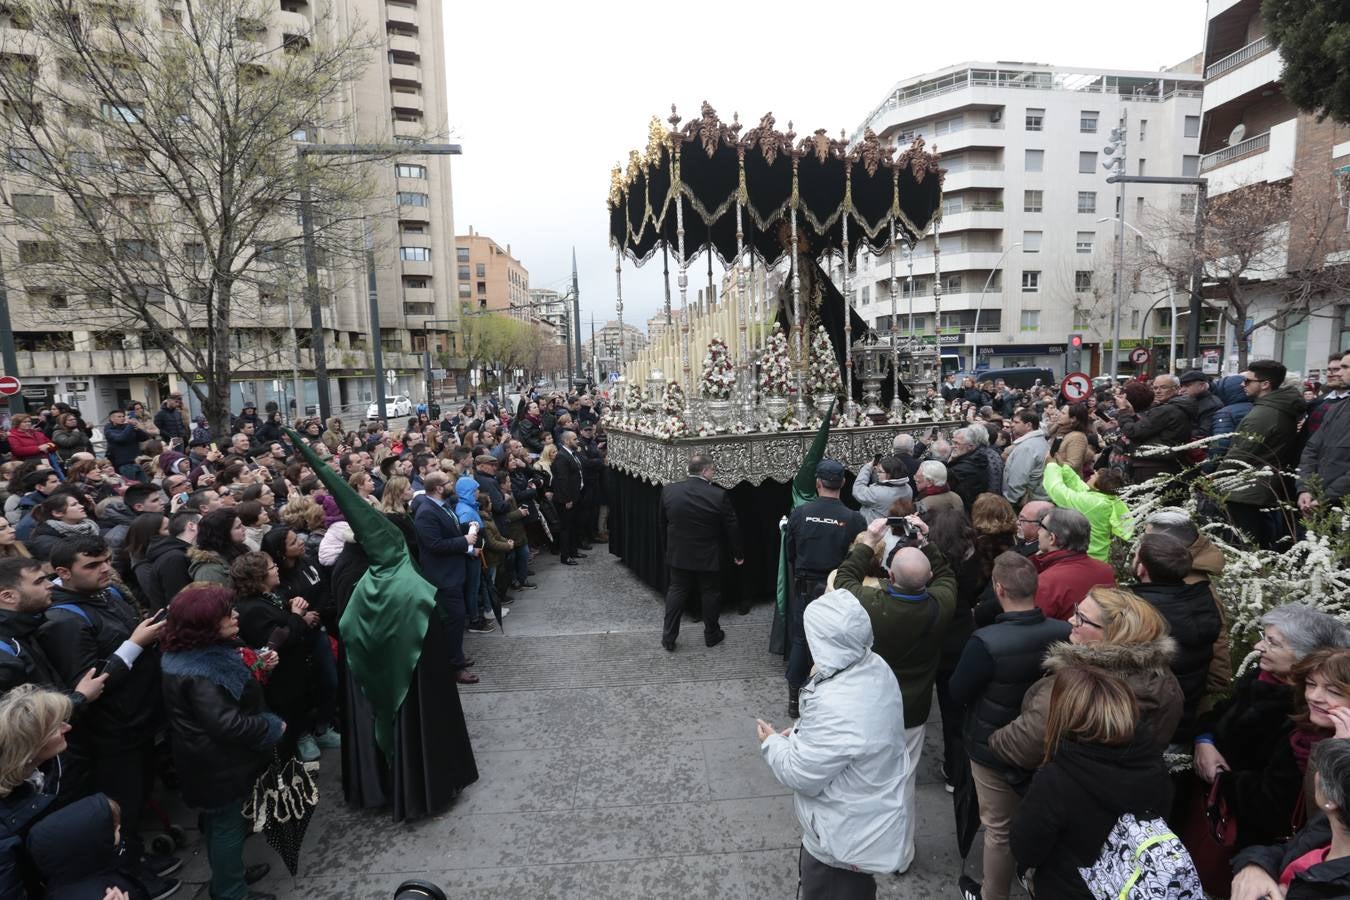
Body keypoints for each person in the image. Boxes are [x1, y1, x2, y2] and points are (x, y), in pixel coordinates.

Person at [36, 537, 177, 894]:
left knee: (140, 797)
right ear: (63, 573)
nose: (105, 570)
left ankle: (139, 860)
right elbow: (88, 685)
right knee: (121, 810)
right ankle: (131, 876)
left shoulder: (108, 592)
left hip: (141, 718)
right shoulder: (63, 619)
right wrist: (135, 643)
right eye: (92, 565)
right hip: (113, 733)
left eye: (106, 561)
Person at [757, 588, 909, 898]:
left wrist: (772, 743)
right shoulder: (874, 665)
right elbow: (845, 741)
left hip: (840, 839)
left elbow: (800, 774)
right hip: (866, 817)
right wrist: (802, 735)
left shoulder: (835, 706)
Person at [832, 516, 956, 875]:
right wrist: (927, 540)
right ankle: (899, 854)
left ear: (890, 577)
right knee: (903, 783)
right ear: (928, 580)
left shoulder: (870, 604)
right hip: (911, 711)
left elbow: (844, 579)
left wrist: (869, 539)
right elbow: (947, 575)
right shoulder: (940, 604)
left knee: (861, 779)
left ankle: (857, 846)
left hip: (869, 709)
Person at [951, 551, 1070, 900]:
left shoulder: (985, 642)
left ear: (999, 589)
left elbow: (959, 691)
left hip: (992, 748)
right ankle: (1028, 872)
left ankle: (992, 894)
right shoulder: (1063, 632)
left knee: (998, 829)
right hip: (1045, 744)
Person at [1009, 665, 1180, 899]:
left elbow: (1026, 850)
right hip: (1128, 888)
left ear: (1066, 715)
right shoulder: (1153, 765)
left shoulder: (1057, 780)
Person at [160, 584, 281, 900]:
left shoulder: (196, 654)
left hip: (210, 760)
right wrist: (270, 726)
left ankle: (231, 877)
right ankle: (231, 891)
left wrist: (256, 664)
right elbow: (227, 723)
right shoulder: (200, 670)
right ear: (204, 624)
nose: (236, 615)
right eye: (227, 613)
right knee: (226, 826)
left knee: (221, 824)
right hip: (217, 765)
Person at [1193, 609, 1350, 850]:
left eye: (1272, 642)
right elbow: (1217, 715)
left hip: (1261, 843)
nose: (1258, 646)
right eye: (1311, 685)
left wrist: (1221, 779)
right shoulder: (1262, 679)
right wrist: (1204, 740)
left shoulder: (1302, 718)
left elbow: (1274, 805)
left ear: (1304, 656)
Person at [989, 586, 1184, 772]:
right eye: (1076, 611)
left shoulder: (1078, 684)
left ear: (1112, 634)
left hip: (1064, 791)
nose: (1070, 620)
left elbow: (1023, 747)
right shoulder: (1167, 683)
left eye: (1081, 618)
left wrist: (992, 741)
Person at [1229, 738, 1350, 900]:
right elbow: (1282, 851)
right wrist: (1255, 867)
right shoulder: (1326, 828)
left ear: (1330, 801)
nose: (1317, 774)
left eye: (1323, 771)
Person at [1129, 532, 1221, 744]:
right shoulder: (1201, 599)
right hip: (1187, 714)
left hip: (1148, 722)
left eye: (1136, 556)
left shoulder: (1140, 612)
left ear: (1142, 568)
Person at [229, 551, 321, 762]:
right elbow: (281, 639)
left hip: (292, 674)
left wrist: (290, 608)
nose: (277, 568)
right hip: (282, 679)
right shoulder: (252, 608)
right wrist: (297, 616)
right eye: (271, 567)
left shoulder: (268, 597)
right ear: (258, 576)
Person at [658, 453, 745, 653]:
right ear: (705, 471)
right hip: (708, 555)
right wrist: (738, 553)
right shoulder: (718, 495)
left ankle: (668, 636)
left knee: (676, 591)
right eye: (713, 470)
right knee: (710, 592)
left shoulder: (669, 491)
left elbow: (662, 524)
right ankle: (711, 634)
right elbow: (732, 528)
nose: (713, 474)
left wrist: (667, 550)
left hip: (678, 554)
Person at [1218, 359, 1305, 549]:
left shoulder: (1264, 414)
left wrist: (1216, 479)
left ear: (1265, 384)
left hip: (1247, 489)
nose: (1243, 385)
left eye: (1248, 381)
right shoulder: (1273, 408)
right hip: (1258, 486)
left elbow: (1240, 454)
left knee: (1245, 545)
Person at [412, 471, 479, 685]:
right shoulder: (426, 512)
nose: (452, 485)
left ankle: (457, 656)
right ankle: (455, 667)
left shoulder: (444, 506)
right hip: (443, 576)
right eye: (448, 482)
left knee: (457, 619)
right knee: (454, 619)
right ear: (439, 488)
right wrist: (464, 540)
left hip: (454, 571)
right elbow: (435, 545)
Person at [1030, 508, 1116, 621]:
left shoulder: (1045, 581)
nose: (1038, 531)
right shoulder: (1106, 570)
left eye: (1041, 526)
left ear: (1052, 538)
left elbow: (1037, 626)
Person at [1040, 460, 1129, 563]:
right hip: (1099, 556)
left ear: (1097, 485)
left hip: (1090, 557)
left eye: (1094, 476)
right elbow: (1080, 487)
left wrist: (1052, 465)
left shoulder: (1095, 503)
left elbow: (1058, 492)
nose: (1091, 476)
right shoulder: (1105, 499)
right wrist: (1063, 467)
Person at [1114, 374, 1198, 482]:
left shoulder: (1168, 410)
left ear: (1177, 388)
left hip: (1153, 467)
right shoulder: (1177, 406)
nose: (1158, 391)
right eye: (1155, 388)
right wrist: (1132, 414)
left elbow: (1133, 432)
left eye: (1163, 387)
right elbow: (1146, 430)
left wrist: (1123, 412)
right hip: (1165, 464)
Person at [1297, 350, 1350, 512]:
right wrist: (1305, 488)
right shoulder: (1336, 408)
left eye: (1345, 367)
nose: (1337, 373)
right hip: (1320, 500)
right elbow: (1311, 449)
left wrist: (1327, 497)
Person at [1002, 411, 1050, 508]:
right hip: (1034, 499)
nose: (1012, 425)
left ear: (1028, 425)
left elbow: (1018, 478)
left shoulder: (1027, 447)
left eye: (1016, 422)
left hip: (1024, 502)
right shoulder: (1038, 441)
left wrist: (1012, 501)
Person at [188, 508, 248, 585]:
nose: (244, 529)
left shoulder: (238, 550)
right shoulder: (209, 571)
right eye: (238, 527)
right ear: (223, 533)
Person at [551, 430, 584, 565]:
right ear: (566, 441)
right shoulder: (562, 457)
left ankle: (573, 551)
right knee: (566, 528)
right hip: (566, 499)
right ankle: (565, 556)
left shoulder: (571, 454)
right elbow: (562, 480)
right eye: (575, 439)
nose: (577, 441)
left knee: (573, 526)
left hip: (575, 496)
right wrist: (567, 499)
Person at [852, 455, 912, 523]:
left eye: (880, 471)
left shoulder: (877, 493)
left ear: (889, 475)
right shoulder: (908, 489)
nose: (877, 473)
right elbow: (885, 484)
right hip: (893, 527)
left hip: (875, 529)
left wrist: (867, 467)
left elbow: (858, 489)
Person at [947, 427, 990, 511]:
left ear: (970, 446)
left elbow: (947, 477)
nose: (953, 446)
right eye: (953, 442)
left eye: (957, 443)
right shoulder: (973, 457)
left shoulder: (971, 464)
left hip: (966, 508)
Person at [1180, 370, 1224, 436]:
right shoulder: (1188, 400)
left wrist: (1177, 433)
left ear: (1202, 386)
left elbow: (1204, 432)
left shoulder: (1212, 406)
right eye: (1181, 386)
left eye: (1187, 386)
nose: (1182, 390)